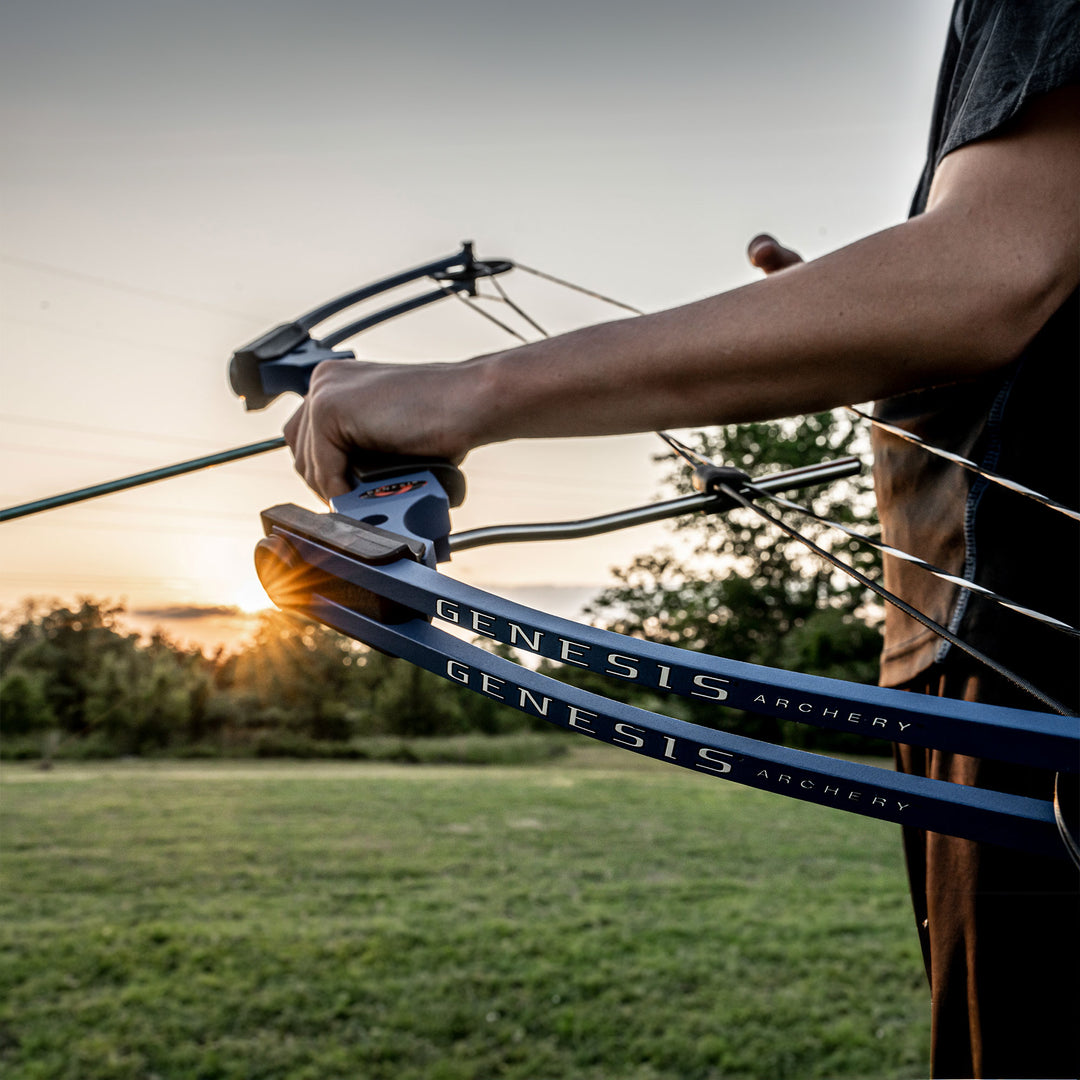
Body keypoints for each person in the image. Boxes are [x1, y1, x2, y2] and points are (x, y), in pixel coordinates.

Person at [285, 3, 1079, 1075]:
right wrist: (857, 321)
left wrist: (469, 391)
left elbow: (992, 274)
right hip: (979, 645)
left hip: (1032, 660)